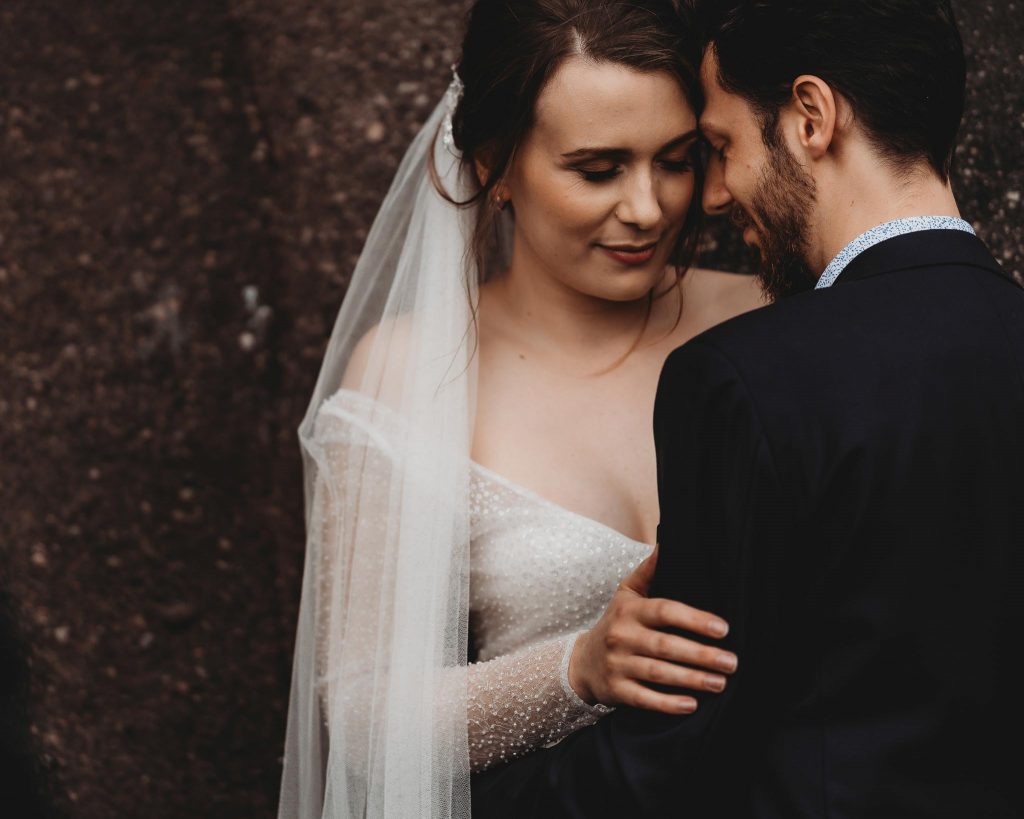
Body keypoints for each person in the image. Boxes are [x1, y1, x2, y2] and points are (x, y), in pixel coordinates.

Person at [471, 1, 1024, 816]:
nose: (716, 197)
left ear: (811, 117)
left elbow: (682, 743)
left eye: (718, 148)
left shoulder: (746, 371)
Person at [277, 2, 764, 817]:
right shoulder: (409, 373)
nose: (648, 208)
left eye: (676, 160)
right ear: (497, 164)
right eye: (599, 169)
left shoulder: (766, 318)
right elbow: (363, 714)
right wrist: (576, 667)